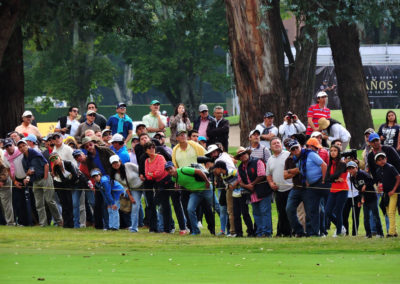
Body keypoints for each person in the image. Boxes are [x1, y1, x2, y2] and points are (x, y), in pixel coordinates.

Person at [18, 139, 62, 227]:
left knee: (50, 201)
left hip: (44, 178)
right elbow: (26, 172)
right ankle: (43, 223)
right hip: (35, 181)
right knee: (38, 204)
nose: (22, 148)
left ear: (27, 145)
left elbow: (46, 164)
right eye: (20, 147)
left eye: (23, 145)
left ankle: (59, 221)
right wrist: (28, 173)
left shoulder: (35, 153)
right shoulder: (23, 160)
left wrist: (46, 177)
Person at [165, 161, 213, 235]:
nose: (170, 170)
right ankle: (196, 231)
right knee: (190, 209)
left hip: (205, 188)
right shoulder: (174, 179)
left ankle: (226, 229)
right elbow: (184, 183)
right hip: (195, 193)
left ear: (174, 167)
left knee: (217, 207)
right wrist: (180, 187)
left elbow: (199, 171)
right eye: (167, 170)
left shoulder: (183, 170)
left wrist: (207, 182)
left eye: (170, 168)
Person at [236, 147, 272, 237]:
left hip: (263, 190)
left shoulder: (258, 161)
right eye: (240, 155)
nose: (242, 156)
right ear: (239, 158)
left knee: (265, 212)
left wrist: (251, 184)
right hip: (251, 193)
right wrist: (247, 186)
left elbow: (262, 175)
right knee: (256, 213)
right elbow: (240, 181)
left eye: (244, 153)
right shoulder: (240, 167)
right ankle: (259, 232)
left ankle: (267, 232)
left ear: (248, 153)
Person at [213, 161, 254, 237]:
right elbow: (227, 184)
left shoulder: (232, 171)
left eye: (215, 169)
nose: (214, 171)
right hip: (235, 194)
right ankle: (238, 233)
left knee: (245, 213)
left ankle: (251, 231)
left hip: (242, 193)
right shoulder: (222, 175)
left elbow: (240, 176)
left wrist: (235, 184)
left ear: (219, 168)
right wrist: (229, 186)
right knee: (236, 214)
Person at [109, 155, 146, 233]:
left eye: (116, 162)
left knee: (150, 204)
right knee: (135, 207)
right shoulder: (115, 175)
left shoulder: (129, 165)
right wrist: (130, 197)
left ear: (120, 161)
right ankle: (134, 228)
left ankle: (157, 225)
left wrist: (143, 177)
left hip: (144, 185)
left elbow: (140, 170)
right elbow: (125, 186)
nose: (115, 164)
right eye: (113, 163)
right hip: (134, 189)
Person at [347, 161, 384, 238]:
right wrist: (360, 200)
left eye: (352, 168)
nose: (351, 170)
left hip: (372, 197)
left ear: (356, 168)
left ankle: (380, 233)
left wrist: (365, 185)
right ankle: (368, 234)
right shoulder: (352, 179)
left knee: (375, 216)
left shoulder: (363, 173)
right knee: (366, 217)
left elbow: (372, 180)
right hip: (365, 199)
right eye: (349, 169)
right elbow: (359, 190)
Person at [50, 152, 87, 229]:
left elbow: (75, 176)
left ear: (59, 157)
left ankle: (75, 224)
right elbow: (63, 179)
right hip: (68, 186)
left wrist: (68, 182)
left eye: (55, 158)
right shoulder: (56, 168)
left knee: (73, 204)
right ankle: (66, 224)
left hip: (78, 184)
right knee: (65, 204)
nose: (55, 160)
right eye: (52, 159)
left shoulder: (68, 163)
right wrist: (68, 182)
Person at [299, 138, 328, 236]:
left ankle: (335, 228)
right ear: (310, 146)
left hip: (320, 183)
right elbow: (303, 169)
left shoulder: (312, 154)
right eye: (316, 147)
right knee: (313, 209)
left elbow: (324, 165)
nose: (317, 150)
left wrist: (324, 180)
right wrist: (307, 181)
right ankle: (315, 232)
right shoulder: (304, 156)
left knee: (325, 208)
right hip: (311, 186)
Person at [266, 137, 292, 237]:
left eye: (278, 143)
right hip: (278, 190)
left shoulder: (288, 155)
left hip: (290, 188)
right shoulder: (270, 160)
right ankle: (282, 232)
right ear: (270, 147)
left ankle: (290, 232)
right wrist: (271, 183)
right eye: (274, 143)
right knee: (281, 212)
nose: (277, 144)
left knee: (289, 210)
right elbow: (268, 174)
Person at [3, 138, 30, 226]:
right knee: (19, 202)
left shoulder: (20, 151)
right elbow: (8, 169)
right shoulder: (5, 156)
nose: (9, 148)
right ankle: (22, 222)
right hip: (17, 179)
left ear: (13, 145)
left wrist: (28, 177)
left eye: (10, 145)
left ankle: (33, 222)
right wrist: (14, 181)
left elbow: (29, 163)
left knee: (31, 202)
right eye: (6, 146)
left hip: (27, 178)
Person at [284, 139, 308, 237]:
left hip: (307, 188)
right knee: (289, 209)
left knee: (312, 211)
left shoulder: (307, 155)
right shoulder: (289, 159)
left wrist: (291, 171)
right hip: (296, 188)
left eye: (296, 148)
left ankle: (313, 231)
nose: (295, 150)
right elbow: (285, 176)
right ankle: (299, 231)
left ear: (300, 146)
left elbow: (306, 169)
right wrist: (297, 170)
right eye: (292, 149)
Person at [325, 145, 349, 237]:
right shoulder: (330, 164)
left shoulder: (342, 164)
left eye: (335, 150)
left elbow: (336, 174)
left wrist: (333, 178)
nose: (333, 152)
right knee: (328, 211)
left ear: (338, 152)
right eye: (331, 151)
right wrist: (335, 180)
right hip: (333, 189)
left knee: (338, 211)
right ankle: (341, 227)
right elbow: (327, 178)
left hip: (342, 189)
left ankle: (339, 232)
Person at [375, 152, 400, 237]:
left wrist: (393, 190)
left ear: (386, 159)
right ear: (376, 162)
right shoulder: (378, 171)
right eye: (379, 160)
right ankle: (394, 231)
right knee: (388, 212)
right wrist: (379, 187)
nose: (382, 161)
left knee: (391, 211)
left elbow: (398, 178)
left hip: (394, 192)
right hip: (386, 193)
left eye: (383, 159)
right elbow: (379, 182)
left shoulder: (390, 167)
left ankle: (391, 232)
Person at [0, 158, 15, 226]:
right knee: (4, 204)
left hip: (4, 181)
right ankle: (4, 221)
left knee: (6, 203)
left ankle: (10, 223)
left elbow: (5, 169)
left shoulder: (2, 162)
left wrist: (2, 180)